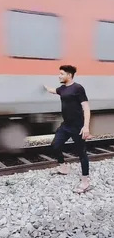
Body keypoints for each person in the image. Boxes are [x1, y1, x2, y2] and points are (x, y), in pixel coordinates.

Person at [44, 65, 91, 194]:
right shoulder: (62, 88)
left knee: (81, 153)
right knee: (55, 145)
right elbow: (53, 90)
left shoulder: (78, 88)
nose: (59, 76)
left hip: (78, 127)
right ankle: (64, 167)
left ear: (69, 75)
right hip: (66, 125)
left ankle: (85, 181)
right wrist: (44, 87)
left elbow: (86, 108)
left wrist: (86, 126)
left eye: (61, 74)